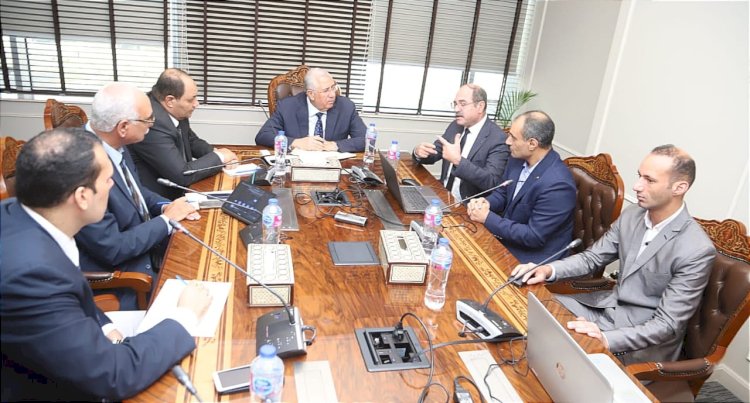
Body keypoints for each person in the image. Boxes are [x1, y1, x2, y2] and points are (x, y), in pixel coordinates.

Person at [0, 128, 212, 401]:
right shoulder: (32, 276)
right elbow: (112, 375)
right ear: (82, 197)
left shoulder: (20, 214)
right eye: (108, 179)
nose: (114, 186)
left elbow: (70, 298)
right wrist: (185, 315)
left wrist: (104, 326)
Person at [515, 145, 715, 366]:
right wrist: (547, 269)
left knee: (554, 359)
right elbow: (592, 258)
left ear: (679, 187)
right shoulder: (633, 214)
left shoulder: (696, 249)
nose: (637, 186)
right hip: (603, 308)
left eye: (649, 180)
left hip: (638, 339)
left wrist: (605, 339)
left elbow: (666, 325)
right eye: (639, 176)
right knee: (530, 309)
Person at [76, 82, 200, 309]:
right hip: (127, 278)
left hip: (145, 243)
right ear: (123, 127)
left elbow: (136, 190)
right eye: (148, 120)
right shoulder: (83, 168)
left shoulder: (114, 143)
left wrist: (166, 207)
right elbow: (113, 248)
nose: (152, 125)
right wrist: (166, 221)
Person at [467, 110, 576, 264]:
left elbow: (534, 236)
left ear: (532, 144)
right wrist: (485, 203)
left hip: (534, 258)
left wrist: (487, 218)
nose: (507, 142)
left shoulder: (558, 185)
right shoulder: (517, 159)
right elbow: (502, 193)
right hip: (508, 238)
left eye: (513, 137)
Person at [128, 68, 238, 199]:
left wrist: (217, 154)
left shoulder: (176, 111)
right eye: (191, 100)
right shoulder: (152, 123)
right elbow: (182, 175)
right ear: (170, 101)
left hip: (183, 189)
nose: (196, 104)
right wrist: (219, 157)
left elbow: (191, 140)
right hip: (162, 199)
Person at [412, 84, 510, 201]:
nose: (456, 109)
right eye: (455, 104)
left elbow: (491, 182)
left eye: (463, 104)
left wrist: (458, 161)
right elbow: (435, 152)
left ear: (480, 106)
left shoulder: (498, 138)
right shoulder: (456, 125)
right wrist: (419, 152)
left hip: (467, 204)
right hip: (442, 194)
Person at [255, 67, 367, 152]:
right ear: (311, 94)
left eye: (333, 87)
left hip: (332, 166)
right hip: (297, 165)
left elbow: (365, 139)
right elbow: (263, 136)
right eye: (326, 90)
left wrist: (335, 145)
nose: (332, 94)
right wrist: (295, 143)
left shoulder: (346, 107)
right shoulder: (287, 106)